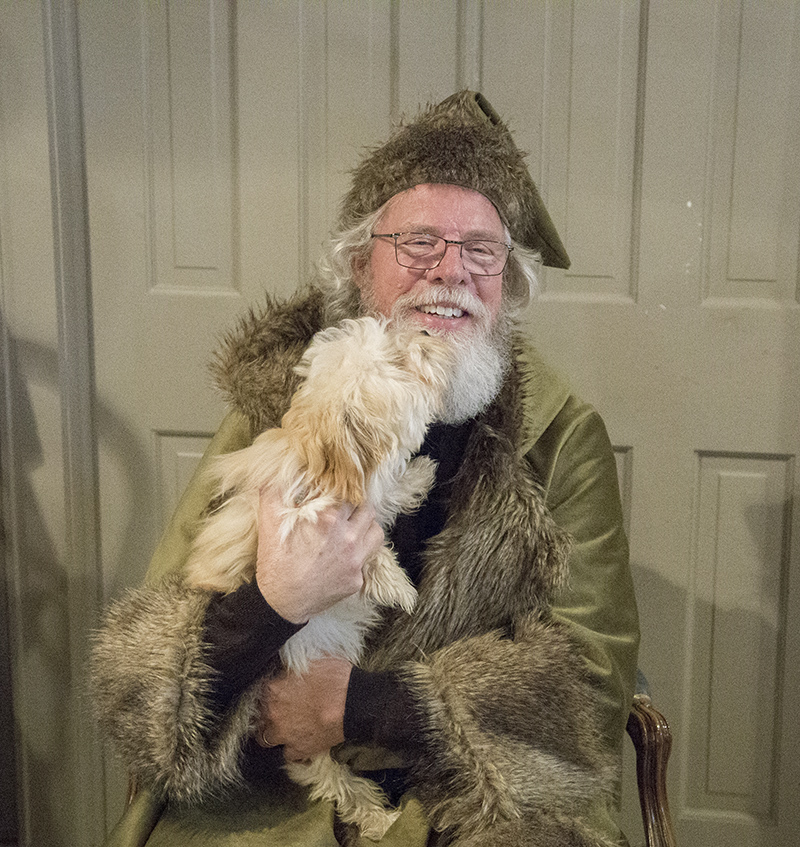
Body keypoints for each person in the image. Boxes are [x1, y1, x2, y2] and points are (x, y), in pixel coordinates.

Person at [91, 91, 639, 847]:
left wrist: (364, 705)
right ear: (360, 265)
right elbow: (142, 683)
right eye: (419, 241)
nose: (450, 271)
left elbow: (591, 690)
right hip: (271, 791)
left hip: (469, 795)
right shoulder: (280, 404)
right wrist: (276, 602)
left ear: (507, 284)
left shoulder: (560, 434)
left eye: (482, 249)